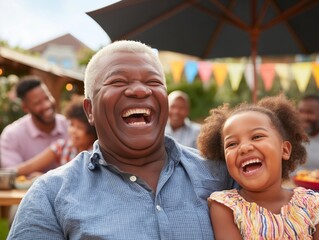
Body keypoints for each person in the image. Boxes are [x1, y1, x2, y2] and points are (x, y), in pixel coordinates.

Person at [7, 40, 234, 239]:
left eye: (153, 82)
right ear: (90, 111)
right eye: (117, 82)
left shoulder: (222, 174)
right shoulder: (50, 195)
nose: (139, 90)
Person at [197, 94, 319, 239]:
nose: (244, 148)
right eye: (232, 144)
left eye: (257, 136)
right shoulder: (226, 207)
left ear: (284, 150)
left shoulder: (313, 205)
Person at [9, 95, 97, 176]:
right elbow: (29, 167)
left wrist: (45, 178)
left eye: (80, 128)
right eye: (72, 125)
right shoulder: (62, 147)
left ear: (93, 132)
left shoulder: (96, 153)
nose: (73, 131)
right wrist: (5, 174)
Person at [1, 76, 68, 171]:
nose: (47, 105)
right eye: (38, 103)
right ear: (25, 108)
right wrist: (52, 152)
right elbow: (11, 173)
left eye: (47, 98)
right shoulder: (11, 135)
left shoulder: (69, 126)